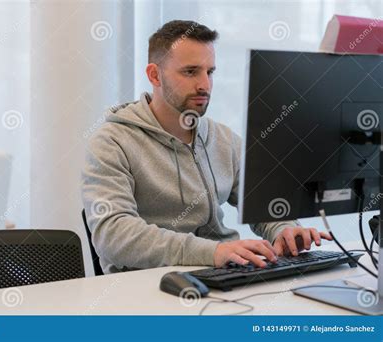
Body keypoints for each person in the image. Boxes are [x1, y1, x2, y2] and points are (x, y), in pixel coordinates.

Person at [81, 20, 332, 274]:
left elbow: (263, 207)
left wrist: (284, 230)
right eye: (190, 72)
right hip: (148, 285)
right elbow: (112, 235)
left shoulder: (223, 139)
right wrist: (212, 252)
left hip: (223, 275)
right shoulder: (112, 142)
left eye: (209, 72)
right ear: (154, 75)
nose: (205, 84)